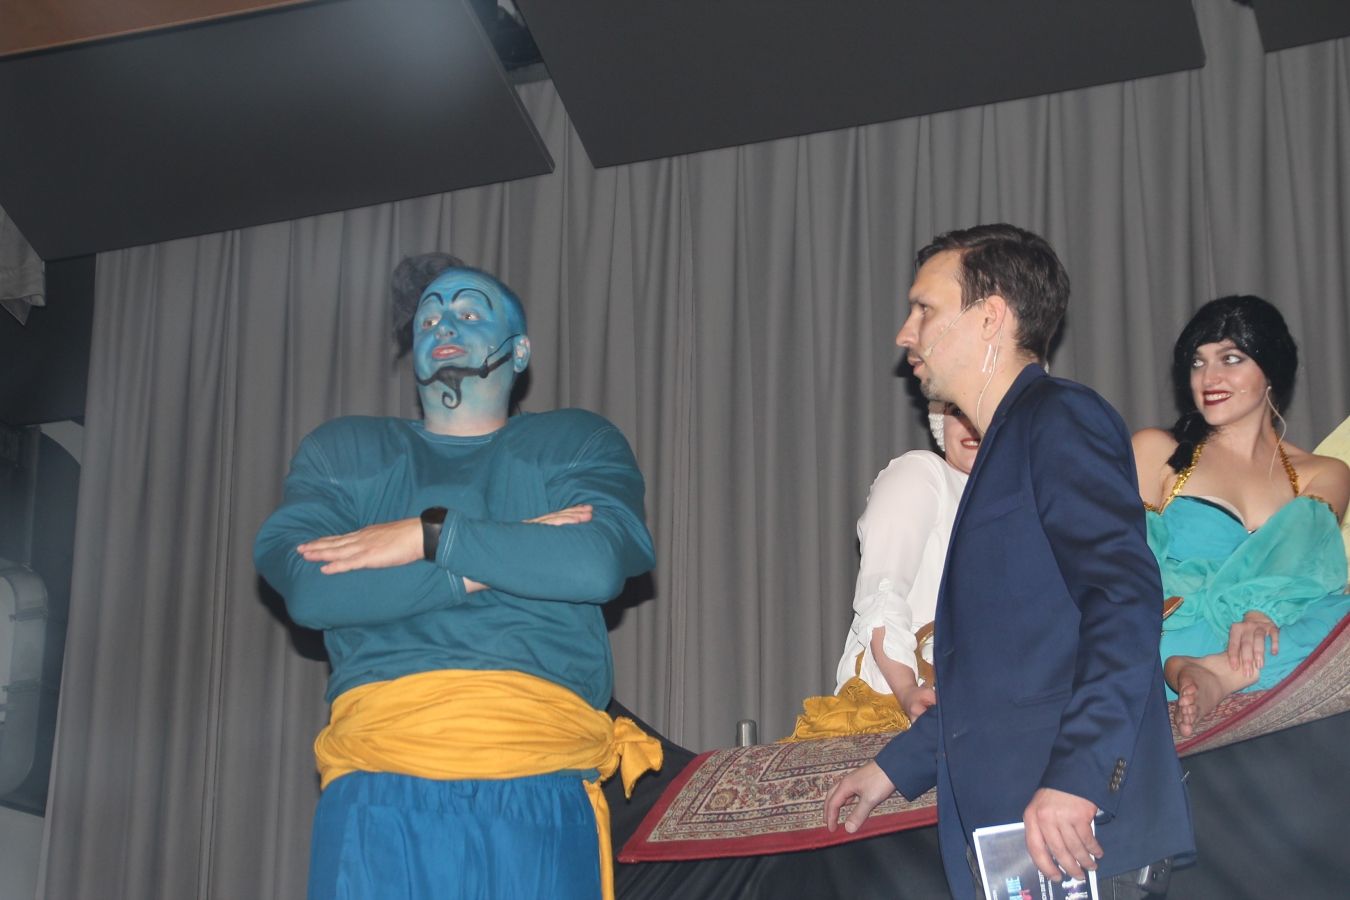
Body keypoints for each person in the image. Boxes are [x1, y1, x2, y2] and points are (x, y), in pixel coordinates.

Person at [254, 258, 660, 900]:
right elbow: (312, 588)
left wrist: (426, 536)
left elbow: (596, 562)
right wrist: (494, 557)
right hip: (379, 782)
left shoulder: (576, 438)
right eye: (428, 318)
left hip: (540, 781)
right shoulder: (345, 450)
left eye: (470, 313)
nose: (444, 324)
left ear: (519, 351)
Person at [823, 224, 1194, 899]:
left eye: (924, 309)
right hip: (1020, 844)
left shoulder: (1058, 418)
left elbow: (1123, 598)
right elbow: (1011, 661)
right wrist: (895, 768)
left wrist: (1081, 776)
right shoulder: (997, 455)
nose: (905, 333)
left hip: (1075, 837)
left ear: (991, 316)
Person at [1131, 295, 1350, 738]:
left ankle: (1218, 674)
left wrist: (1258, 612)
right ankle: (1192, 669)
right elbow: (1123, 565)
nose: (1209, 377)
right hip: (1174, 634)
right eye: (1198, 362)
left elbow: (1305, 569)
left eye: (1230, 359)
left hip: (1268, 636)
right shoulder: (1157, 451)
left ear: (1271, 369)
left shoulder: (1323, 473)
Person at [786, 403, 980, 740]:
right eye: (955, 409)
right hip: (903, 703)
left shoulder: (1021, 509)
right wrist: (907, 690)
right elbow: (883, 594)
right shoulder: (922, 474)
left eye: (979, 407)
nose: (969, 424)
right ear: (940, 421)